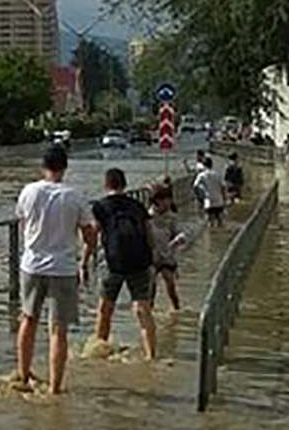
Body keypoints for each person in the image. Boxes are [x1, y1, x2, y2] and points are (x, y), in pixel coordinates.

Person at [14, 142, 97, 394]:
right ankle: (55, 387)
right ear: (65, 168)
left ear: (43, 167)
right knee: (58, 330)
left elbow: (22, 223)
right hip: (63, 267)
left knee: (28, 319)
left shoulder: (28, 192)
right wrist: (89, 253)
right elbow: (88, 233)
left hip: (32, 265)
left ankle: (24, 374)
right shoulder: (74, 196)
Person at [88, 167, 158, 361]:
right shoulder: (137, 205)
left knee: (105, 309)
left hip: (113, 263)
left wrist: (84, 260)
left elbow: (93, 236)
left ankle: (99, 352)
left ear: (106, 184)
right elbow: (149, 234)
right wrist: (152, 259)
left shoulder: (100, 207)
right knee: (143, 309)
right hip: (140, 263)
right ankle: (151, 355)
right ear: (124, 184)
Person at [148, 181, 184, 314]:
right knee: (151, 286)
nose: (168, 202)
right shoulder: (148, 217)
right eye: (165, 199)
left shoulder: (171, 217)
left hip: (167, 256)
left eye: (169, 199)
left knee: (170, 282)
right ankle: (150, 311)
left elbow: (178, 232)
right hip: (151, 257)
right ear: (156, 201)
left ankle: (176, 309)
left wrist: (179, 238)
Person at [194, 152, 228, 227]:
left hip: (208, 201)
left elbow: (195, 186)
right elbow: (223, 187)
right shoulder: (217, 174)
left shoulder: (202, 175)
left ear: (204, 165)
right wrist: (225, 198)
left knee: (209, 222)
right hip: (219, 200)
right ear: (212, 165)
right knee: (220, 221)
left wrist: (200, 195)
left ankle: (210, 236)